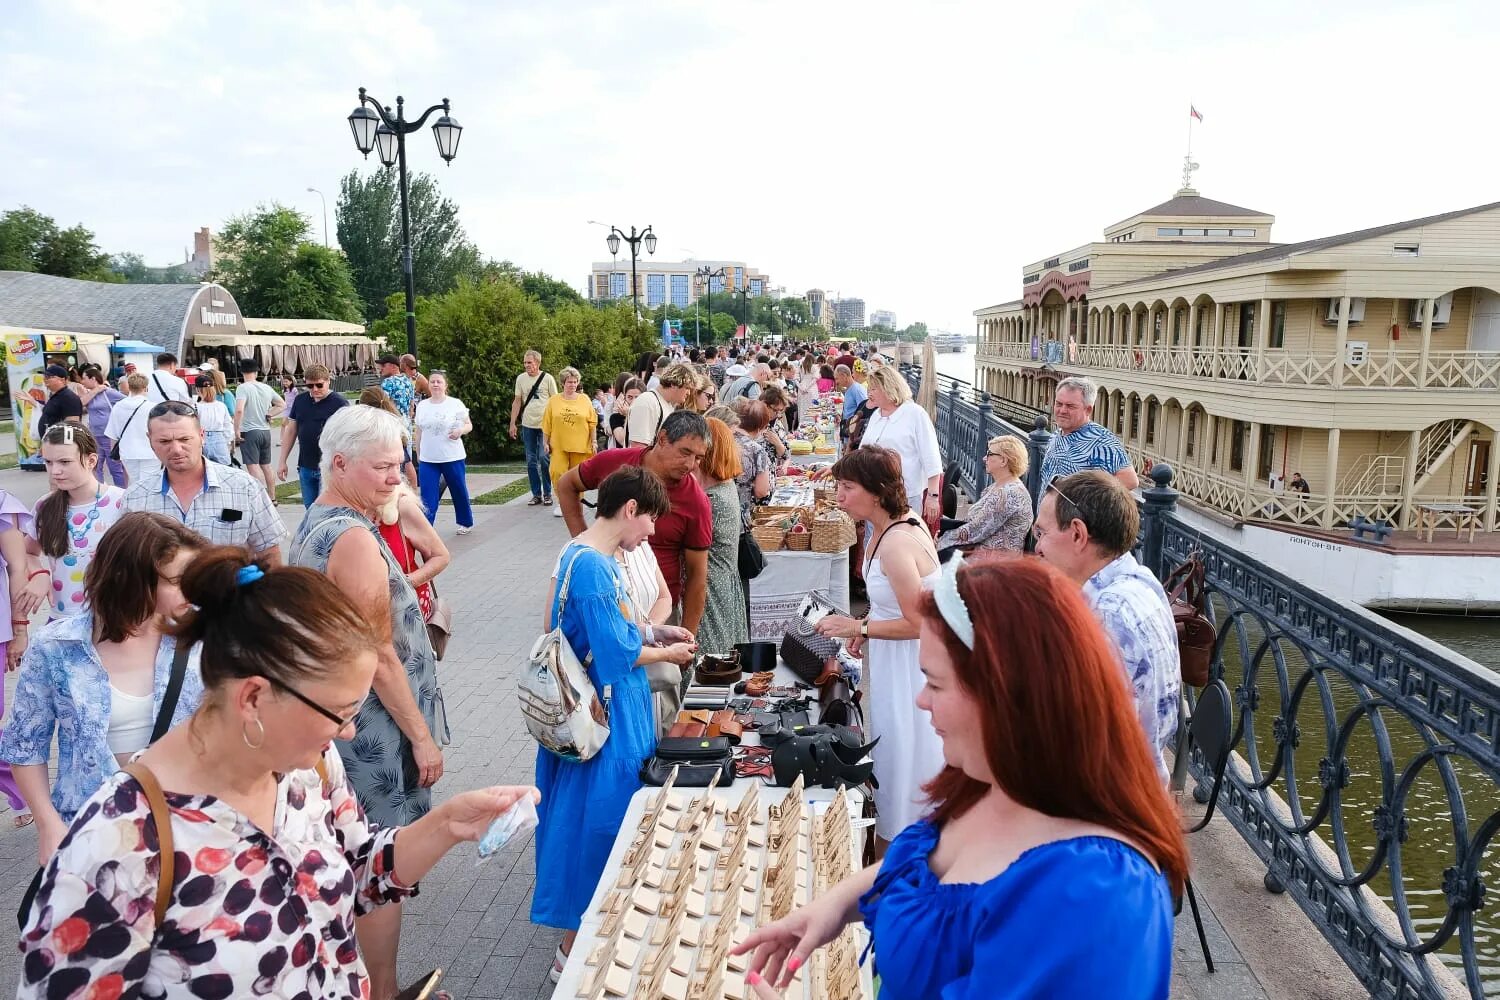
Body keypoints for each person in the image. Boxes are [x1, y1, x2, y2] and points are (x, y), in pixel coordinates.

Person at [15, 543, 537, 999]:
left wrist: (446, 825)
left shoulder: (310, 768)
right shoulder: (114, 847)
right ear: (254, 698)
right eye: (342, 713)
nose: (349, 733)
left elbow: (357, 871)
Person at [735, 555, 1185, 998]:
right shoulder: (993, 783)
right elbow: (918, 870)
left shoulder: (1096, 897)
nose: (921, 701)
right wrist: (831, 907)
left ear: (1005, 697)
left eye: (935, 682)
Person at [290, 405, 448, 999]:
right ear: (338, 463)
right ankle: (380, 990)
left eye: (400, 463)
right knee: (378, 866)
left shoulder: (319, 517)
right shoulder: (353, 537)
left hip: (347, 721)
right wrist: (422, 735)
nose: (397, 477)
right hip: (374, 732)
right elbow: (378, 652)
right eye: (384, 467)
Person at [534, 466, 695, 980]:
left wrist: (655, 627)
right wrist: (669, 648)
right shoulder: (596, 567)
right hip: (611, 713)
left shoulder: (578, 553)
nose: (651, 533)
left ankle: (590, 938)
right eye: (649, 522)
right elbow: (616, 650)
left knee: (589, 820)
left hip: (598, 707)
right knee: (603, 823)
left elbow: (596, 628)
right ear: (630, 510)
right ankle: (578, 950)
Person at [4, 512, 204, 866]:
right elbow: (24, 745)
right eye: (178, 580)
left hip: (187, 831)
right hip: (89, 834)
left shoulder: (202, 639)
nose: (192, 589)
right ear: (131, 581)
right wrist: (48, 826)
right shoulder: (57, 645)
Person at [814, 446, 945, 844]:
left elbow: (920, 622)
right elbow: (896, 602)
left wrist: (859, 626)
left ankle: (900, 845)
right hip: (897, 659)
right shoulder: (894, 526)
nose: (839, 495)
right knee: (897, 752)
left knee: (900, 754)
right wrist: (868, 622)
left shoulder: (895, 543)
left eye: (847, 487)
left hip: (909, 667)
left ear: (875, 492)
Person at [1032, 471, 1180, 778]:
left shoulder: (1110, 615)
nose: (1037, 548)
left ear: (1077, 534)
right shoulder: (1142, 580)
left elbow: (1083, 739)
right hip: (1143, 779)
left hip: (1112, 798)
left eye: (1041, 533)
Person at [557, 411, 712, 632]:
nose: (690, 464)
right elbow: (566, 485)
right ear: (662, 438)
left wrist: (688, 634)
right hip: (601, 598)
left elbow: (697, 575)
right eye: (685, 452)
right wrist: (584, 541)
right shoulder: (615, 462)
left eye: (698, 458)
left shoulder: (696, 501)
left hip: (657, 608)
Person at [125, 401, 286, 560]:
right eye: (164, 441)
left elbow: (269, 552)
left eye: (184, 439)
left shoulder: (244, 487)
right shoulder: (136, 498)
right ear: (150, 441)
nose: (176, 449)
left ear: (202, 436)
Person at [24, 425, 128, 620]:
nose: (55, 471)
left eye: (64, 462)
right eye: (48, 462)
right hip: (63, 619)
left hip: (114, 621)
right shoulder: (44, 507)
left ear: (91, 460)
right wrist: (39, 574)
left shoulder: (123, 503)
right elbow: (28, 552)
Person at [860, 366, 943, 528]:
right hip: (874, 494)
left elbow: (931, 457)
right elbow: (863, 452)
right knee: (874, 541)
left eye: (874, 389)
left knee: (901, 538)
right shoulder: (877, 415)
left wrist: (933, 496)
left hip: (905, 495)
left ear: (889, 388)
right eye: (869, 388)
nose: (869, 393)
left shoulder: (915, 414)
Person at [694, 416, 748, 654]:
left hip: (711, 590)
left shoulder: (711, 499)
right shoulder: (724, 487)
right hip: (723, 584)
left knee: (710, 659)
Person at [0, 492, 38, 828]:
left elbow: (18, 569)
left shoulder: (1, 504)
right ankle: (20, 786)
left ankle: (21, 785)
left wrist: (20, 629)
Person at [1039, 376, 1139, 495]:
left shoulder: (1102, 440)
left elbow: (1130, 480)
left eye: (1070, 406)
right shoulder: (1056, 434)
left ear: (1088, 410)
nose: (1062, 410)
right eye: (1059, 404)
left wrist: (1085, 499)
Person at [937, 436, 1033, 556]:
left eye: (989, 454)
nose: (984, 458)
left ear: (1003, 461)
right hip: (979, 554)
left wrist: (938, 541)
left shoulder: (1008, 494)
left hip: (992, 566)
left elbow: (974, 531)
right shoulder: (998, 487)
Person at [278, 363, 350, 508]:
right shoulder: (300, 400)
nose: (315, 389)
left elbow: (348, 436)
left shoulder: (340, 403)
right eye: (310, 386)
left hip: (329, 467)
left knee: (326, 510)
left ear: (328, 381)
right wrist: (282, 460)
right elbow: (291, 430)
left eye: (319, 385)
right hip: (306, 466)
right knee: (310, 510)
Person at [414, 370, 475, 534]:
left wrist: (460, 431)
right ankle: (426, 526)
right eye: (432, 381)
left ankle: (465, 522)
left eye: (438, 382)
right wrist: (418, 453)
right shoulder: (422, 406)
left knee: (458, 489)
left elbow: (468, 425)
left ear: (445, 385)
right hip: (429, 458)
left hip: (452, 456)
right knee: (427, 494)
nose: (435, 384)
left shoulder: (455, 404)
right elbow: (418, 431)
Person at [542, 366, 598, 519]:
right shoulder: (554, 401)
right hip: (559, 444)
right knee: (556, 471)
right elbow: (547, 423)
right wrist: (545, 442)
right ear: (563, 383)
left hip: (580, 445)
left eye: (574, 382)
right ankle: (562, 502)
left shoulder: (584, 399)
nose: (572, 385)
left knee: (578, 477)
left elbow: (592, 422)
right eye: (569, 382)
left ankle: (575, 503)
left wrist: (594, 441)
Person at [233, 356, 286, 499]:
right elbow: (282, 404)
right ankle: (272, 498)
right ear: (256, 372)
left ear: (242, 372)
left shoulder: (242, 388)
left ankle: (261, 498)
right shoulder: (266, 387)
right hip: (265, 431)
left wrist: (236, 429)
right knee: (266, 465)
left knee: (253, 466)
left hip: (249, 431)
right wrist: (270, 414)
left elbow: (239, 410)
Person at [511, 350, 559, 507]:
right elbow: (517, 401)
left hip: (545, 426)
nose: (526, 365)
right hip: (528, 425)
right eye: (525, 363)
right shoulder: (521, 379)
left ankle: (547, 493)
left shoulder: (548, 378)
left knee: (544, 459)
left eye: (529, 362)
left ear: (537, 363)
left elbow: (555, 402)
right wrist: (512, 423)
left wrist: (556, 425)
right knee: (531, 460)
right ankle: (536, 494)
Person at [102, 372, 156, 487]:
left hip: (127, 452)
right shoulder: (152, 407)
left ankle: (137, 504)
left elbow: (112, 434)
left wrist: (114, 454)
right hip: (150, 452)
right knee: (150, 485)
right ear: (146, 387)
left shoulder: (118, 406)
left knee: (135, 484)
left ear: (129, 387)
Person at [76, 365, 124, 487]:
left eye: (84, 378)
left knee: (114, 466)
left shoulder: (109, 393)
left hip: (108, 435)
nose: (82, 381)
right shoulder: (91, 394)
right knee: (95, 465)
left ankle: (121, 492)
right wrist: (96, 390)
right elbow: (80, 403)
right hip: (94, 435)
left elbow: (125, 401)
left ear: (93, 379)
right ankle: (99, 491)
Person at [625, 363, 695, 448]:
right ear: (674, 384)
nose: (689, 393)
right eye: (687, 388)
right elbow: (638, 447)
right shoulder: (647, 402)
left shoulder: (665, 404)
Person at [734, 401, 775, 524]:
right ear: (760, 427)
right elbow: (761, 491)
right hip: (741, 513)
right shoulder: (756, 450)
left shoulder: (725, 439)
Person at [194, 374, 234, 465]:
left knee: (204, 470)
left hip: (201, 439)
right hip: (219, 438)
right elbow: (228, 425)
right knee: (225, 469)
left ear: (198, 390)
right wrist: (228, 440)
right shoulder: (221, 406)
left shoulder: (195, 406)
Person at [37, 365, 83, 439]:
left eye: (49, 377)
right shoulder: (56, 396)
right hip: (50, 442)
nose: (45, 379)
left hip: (60, 445)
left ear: (62, 380)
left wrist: (66, 446)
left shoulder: (68, 398)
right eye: (45, 377)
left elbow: (72, 425)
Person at [833, 364, 867, 445]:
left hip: (853, 434)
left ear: (844, 376)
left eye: (837, 378)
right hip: (848, 431)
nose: (836, 382)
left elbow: (864, 411)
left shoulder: (857, 390)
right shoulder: (850, 388)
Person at [610, 377, 643, 449]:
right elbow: (623, 440)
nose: (633, 401)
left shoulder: (647, 415)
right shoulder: (615, 417)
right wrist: (629, 415)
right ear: (624, 397)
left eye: (637, 397)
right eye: (630, 397)